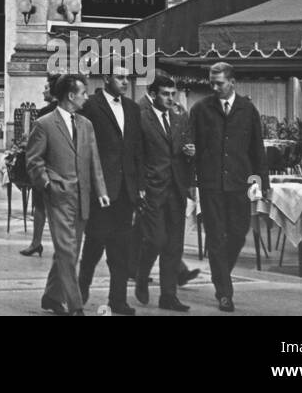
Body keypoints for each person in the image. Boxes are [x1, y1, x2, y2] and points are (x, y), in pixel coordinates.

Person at [25, 73, 109, 316]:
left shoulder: (86, 124)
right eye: (83, 93)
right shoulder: (45, 124)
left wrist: (101, 190)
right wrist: (48, 185)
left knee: (69, 251)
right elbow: (33, 160)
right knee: (67, 251)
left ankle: (51, 297)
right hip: (58, 196)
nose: (86, 97)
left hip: (82, 197)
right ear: (71, 96)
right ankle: (76, 306)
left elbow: (94, 160)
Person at [189, 61, 267, 312]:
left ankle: (219, 274)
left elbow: (257, 150)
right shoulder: (201, 109)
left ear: (232, 83)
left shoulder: (248, 109)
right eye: (211, 83)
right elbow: (193, 147)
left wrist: (258, 187)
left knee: (237, 233)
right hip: (210, 184)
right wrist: (193, 182)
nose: (215, 87)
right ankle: (224, 291)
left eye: (219, 83)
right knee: (215, 237)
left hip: (239, 184)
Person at [78, 67, 143, 316]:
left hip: (126, 191)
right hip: (100, 190)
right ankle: (80, 292)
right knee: (93, 245)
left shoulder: (132, 109)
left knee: (121, 249)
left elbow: (137, 149)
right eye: (120, 77)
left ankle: (118, 300)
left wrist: (139, 187)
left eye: (128, 78)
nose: (125, 82)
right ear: (106, 79)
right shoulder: (90, 106)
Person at [134, 75, 193, 312]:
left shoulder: (180, 116)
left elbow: (186, 146)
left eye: (173, 93)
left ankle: (168, 296)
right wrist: (139, 188)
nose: (170, 98)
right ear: (154, 94)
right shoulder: (141, 117)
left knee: (174, 245)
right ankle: (141, 273)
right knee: (156, 239)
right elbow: (136, 155)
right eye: (165, 94)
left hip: (176, 189)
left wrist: (191, 152)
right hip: (152, 188)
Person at [20, 82, 58, 257]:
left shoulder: (44, 113)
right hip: (57, 167)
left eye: (47, 87)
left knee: (41, 207)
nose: (43, 90)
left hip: (46, 166)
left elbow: (35, 145)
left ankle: (36, 242)